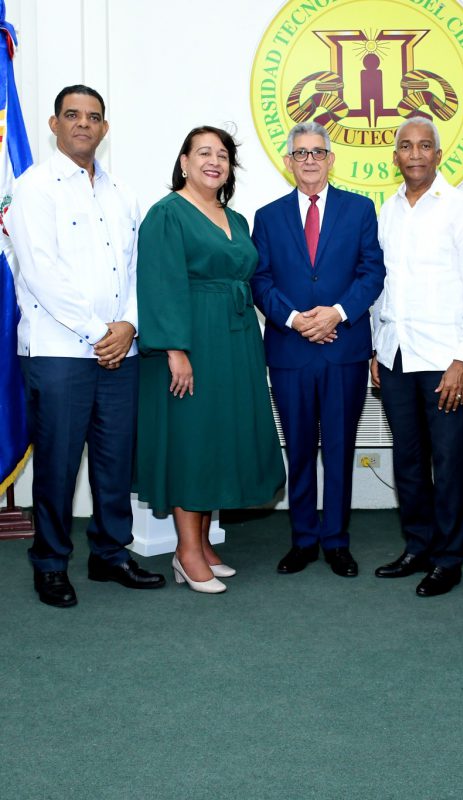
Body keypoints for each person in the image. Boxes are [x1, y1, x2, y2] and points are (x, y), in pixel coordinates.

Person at [7, 84, 165, 608]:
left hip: (120, 351)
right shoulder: (33, 188)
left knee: (115, 462)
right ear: (54, 124)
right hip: (59, 352)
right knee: (57, 465)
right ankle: (51, 564)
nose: (83, 124)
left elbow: (139, 268)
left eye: (93, 117)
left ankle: (110, 555)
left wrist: (131, 325)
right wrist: (101, 332)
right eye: (72, 115)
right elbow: (41, 272)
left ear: (104, 128)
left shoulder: (122, 192)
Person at [135, 126, 285, 594]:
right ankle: (186, 552)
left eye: (222, 155)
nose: (214, 161)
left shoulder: (234, 218)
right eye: (204, 153)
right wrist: (174, 350)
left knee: (219, 437)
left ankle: (201, 542)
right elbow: (159, 283)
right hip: (191, 341)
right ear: (184, 162)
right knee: (193, 441)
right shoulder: (166, 214)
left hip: (235, 341)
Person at [251, 121, 385, 577]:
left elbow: (372, 272)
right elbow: (260, 280)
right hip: (291, 351)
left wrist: (337, 314)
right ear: (288, 162)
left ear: (331, 159)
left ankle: (337, 541)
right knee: (300, 448)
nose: (309, 160)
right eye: (301, 153)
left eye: (317, 152)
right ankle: (304, 539)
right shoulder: (267, 217)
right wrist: (296, 320)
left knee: (340, 449)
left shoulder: (360, 209)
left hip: (344, 350)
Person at [371, 117, 463, 597]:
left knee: (449, 463)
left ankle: (448, 560)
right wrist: (376, 347)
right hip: (395, 356)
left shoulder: (460, 208)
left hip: (444, 361)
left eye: (424, 146)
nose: (414, 154)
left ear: (438, 155)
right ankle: (417, 547)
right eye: (406, 146)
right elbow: (381, 286)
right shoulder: (387, 211)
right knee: (409, 461)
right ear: (395, 156)